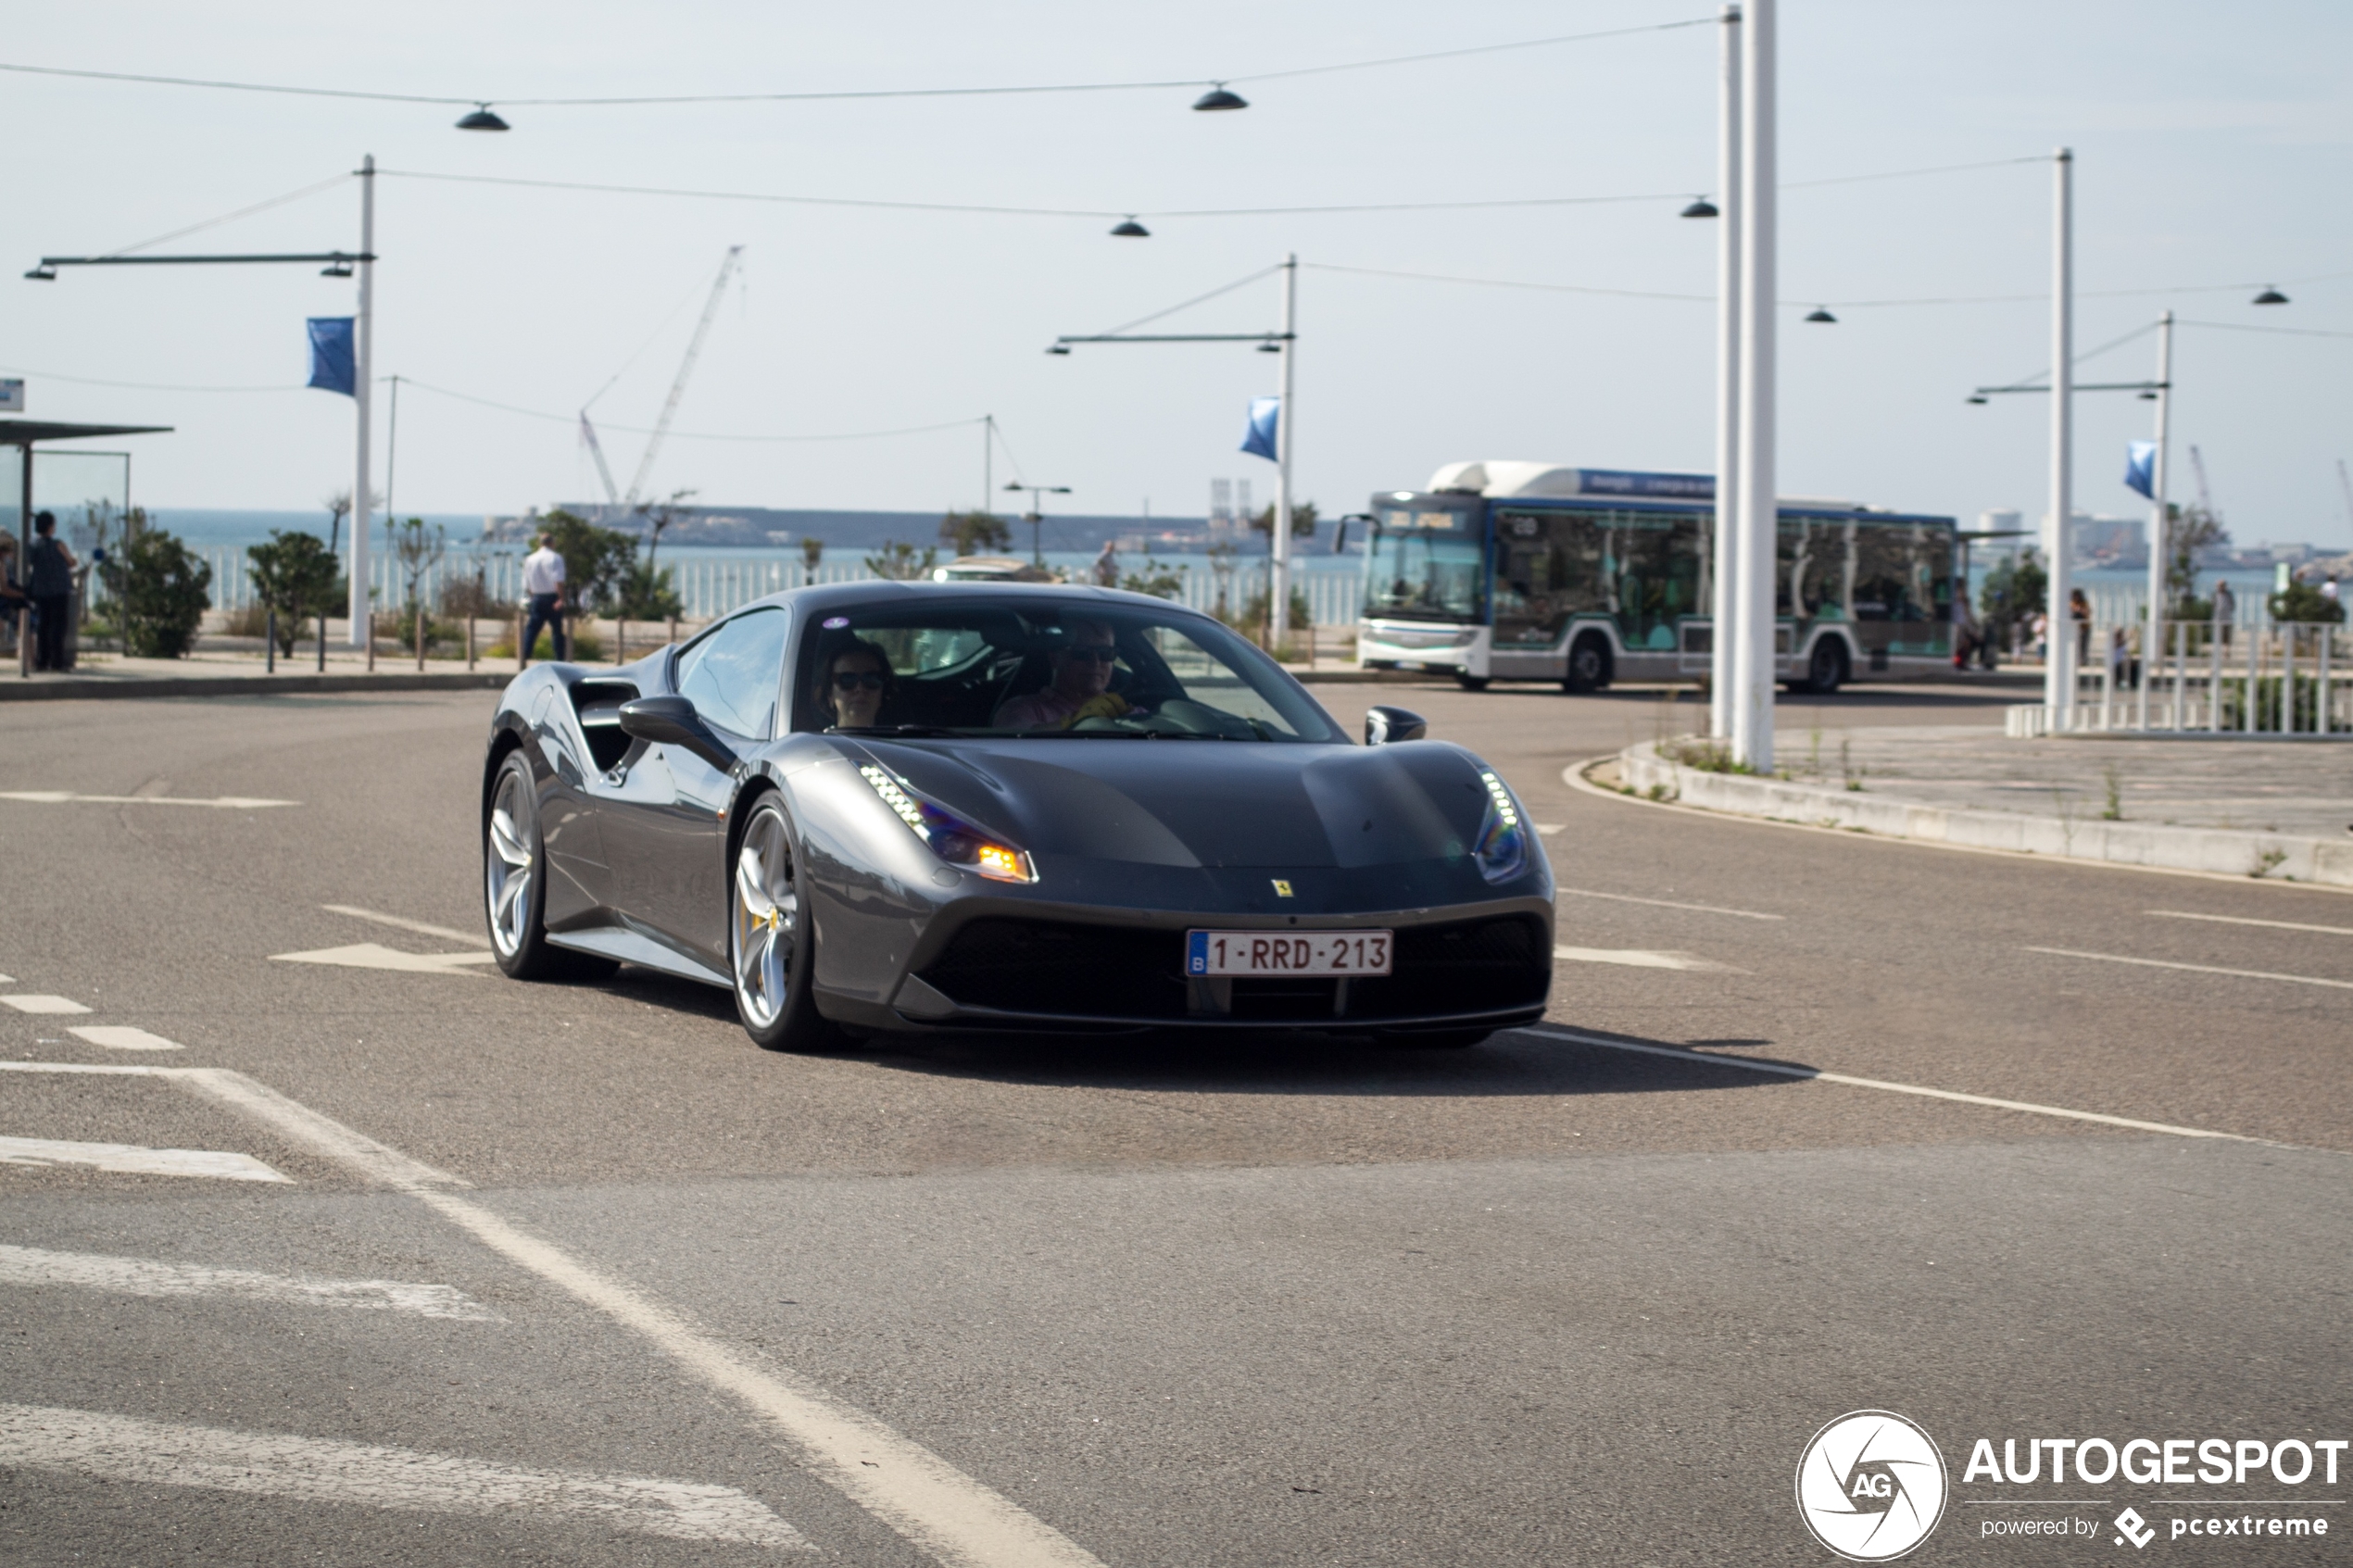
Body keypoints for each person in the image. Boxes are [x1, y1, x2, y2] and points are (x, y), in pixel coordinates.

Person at [993, 618, 1133, 729]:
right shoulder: (1022, 710)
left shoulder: (1126, 711)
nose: (1095, 662)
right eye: (1081, 653)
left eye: (1106, 653)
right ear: (1054, 658)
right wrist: (1078, 722)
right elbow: (1014, 748)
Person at [27, 511, 78, 672]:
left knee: (43, 625)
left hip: (41, 590)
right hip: (59, 590)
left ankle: (43, 660)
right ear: (50, 527)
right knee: (58, 626)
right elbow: (70, 562)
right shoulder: (58, 544)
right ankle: (57, 661)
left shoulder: (33, 545)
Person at [817, 637, 893, 730]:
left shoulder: (901, 743)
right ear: (830, 694)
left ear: (883, 692)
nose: (860, 688)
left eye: (871, 679)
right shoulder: (815, 744)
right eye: (847, 679)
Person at [520, 532, 567, 663]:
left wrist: (533, 596)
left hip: (537, 597)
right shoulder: (556, 558)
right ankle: (559, 658)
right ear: (552, 543)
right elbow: (558, 581)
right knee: (557, 631)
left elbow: (527, 583)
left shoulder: (530, 559)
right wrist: (561, 599)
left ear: (540, 543)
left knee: (532, 629)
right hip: (552, 598)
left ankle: (525, 656)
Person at [2069, 586, 2092, 665]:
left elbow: (2088, 613)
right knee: (2074, 645)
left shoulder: (2084, 603)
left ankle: (2083, 661)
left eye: (2077, 595)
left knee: (2083, 646)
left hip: (2084, 627)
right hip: (2074, 628)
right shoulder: (2071, 603)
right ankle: (2074, 660)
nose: (2076, 597)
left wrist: (2080, 610)